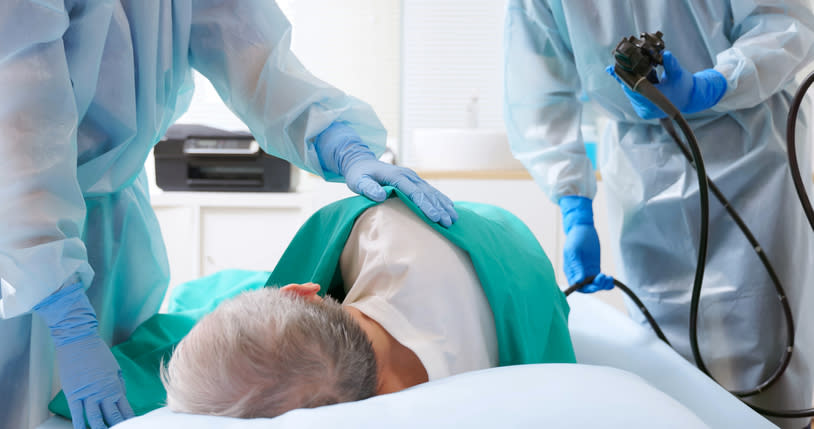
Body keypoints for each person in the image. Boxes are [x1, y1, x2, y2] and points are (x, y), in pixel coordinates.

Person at [0, 2, 457, 429]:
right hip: (18, 234)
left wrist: (336, 137)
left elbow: (250, 46)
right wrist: (62, 309)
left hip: (112, 218)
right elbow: (18, 133)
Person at [503, 1, 814, 428]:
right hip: (641, 172)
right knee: (664, 354)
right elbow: (538, 92)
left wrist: (714, 83)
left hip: (754, 153)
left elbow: (785, 23)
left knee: (767, 344)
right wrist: (574, 207)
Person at [44, 190, 575, 421]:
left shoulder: (372, 228)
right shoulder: (374, 229)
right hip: (504, 248)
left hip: (480, 239)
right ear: (304, 289)